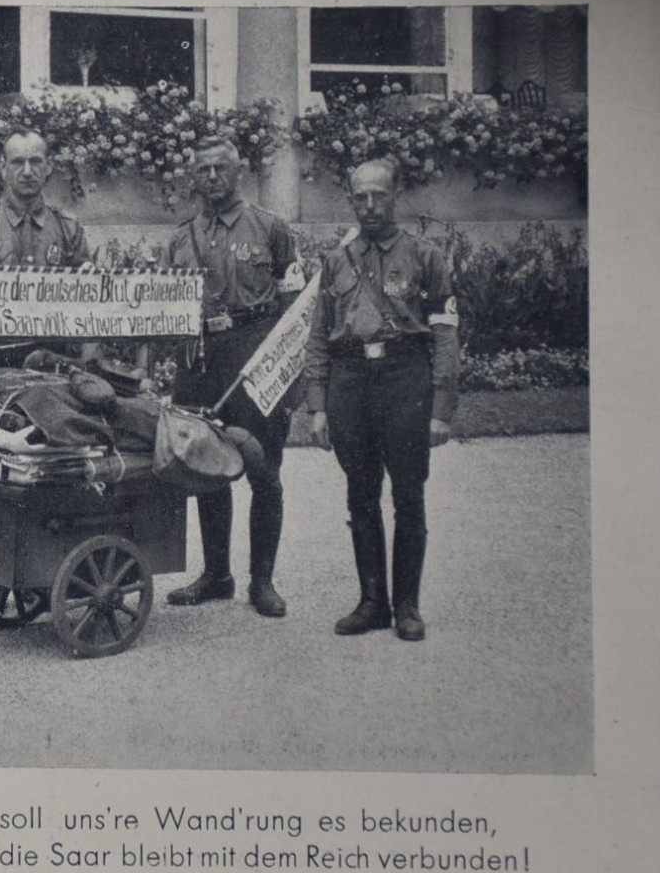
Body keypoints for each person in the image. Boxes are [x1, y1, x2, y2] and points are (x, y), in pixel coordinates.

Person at [303, 159, 460, 642]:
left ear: (396, 197)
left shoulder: (425, 257)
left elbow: (446, 336)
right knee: (361, 495)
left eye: (379, 196)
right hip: (351, 382)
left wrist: (440, 408)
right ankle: (372, 602)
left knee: (409, 497)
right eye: (360, 198)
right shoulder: (336, 260)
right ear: (351, 201)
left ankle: (406, 606)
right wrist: (318, 404)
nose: (369, 206)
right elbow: (318, 337)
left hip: (404, 380)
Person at [163, 140, 305, 618]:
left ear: (239, 171)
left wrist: (287, 376)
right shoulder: (182, 238)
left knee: (262, 469)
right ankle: (216, 575)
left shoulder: (271, 228)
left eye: (221, 167)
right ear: (194, 176)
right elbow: (166, 306)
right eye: (202, 169)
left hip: (254, 353)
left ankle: (262, 581)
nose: (212, 176)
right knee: (205, 466)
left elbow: (296, 304)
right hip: (199, 359)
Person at [0, 129, 89, 268]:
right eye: (18, 162)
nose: (27, 172)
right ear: (4, 168)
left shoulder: (69, 227)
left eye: (35, 162)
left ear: (48, 166)